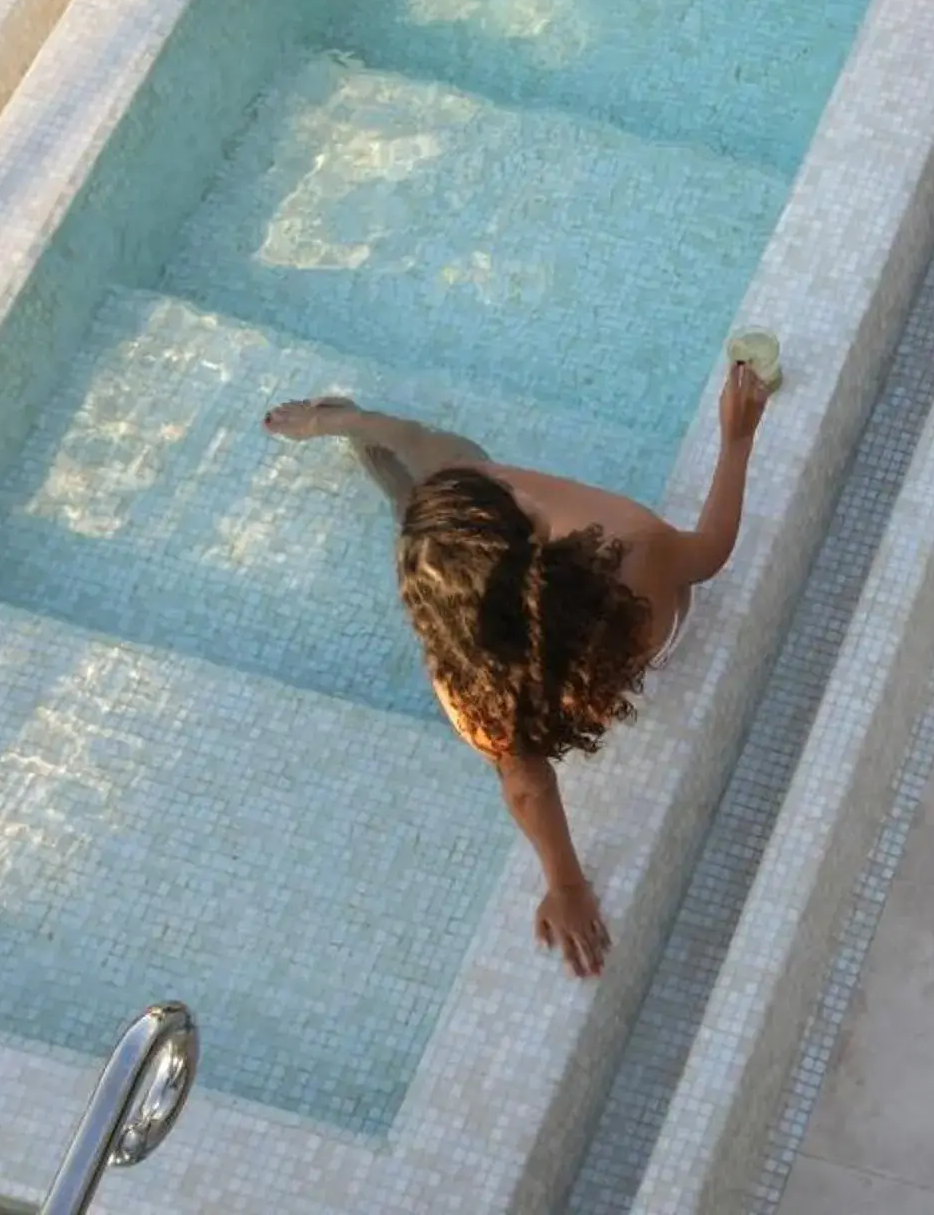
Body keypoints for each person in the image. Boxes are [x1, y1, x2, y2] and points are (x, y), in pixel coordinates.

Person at [263, 361, 773, 975]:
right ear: (531, 534)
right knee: (466, 471)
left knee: (439, 511)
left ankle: (377, 459)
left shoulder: (465, 688)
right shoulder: (640, 557)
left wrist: (568, 887)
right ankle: (369, 431)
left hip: (490, 622)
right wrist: (737, 440)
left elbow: (527, 784)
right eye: (518, 506)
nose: (521, 495)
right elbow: (710, 552)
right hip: (638, 618)